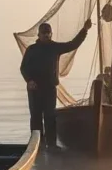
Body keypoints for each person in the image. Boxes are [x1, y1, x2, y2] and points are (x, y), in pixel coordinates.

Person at [19, 18, 92, 150]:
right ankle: (37, 147)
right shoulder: (32, 49)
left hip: (49, 88)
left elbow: (73, 44)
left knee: (50, 116)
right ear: (39, 35)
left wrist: (84, 30)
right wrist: (29, 80)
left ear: (51, 34)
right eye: (43, 33)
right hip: (35, 89)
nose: (46, 35)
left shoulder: (55, 47)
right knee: (35, 117)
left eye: (48, 33)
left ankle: (51, 145)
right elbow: (23, 68)